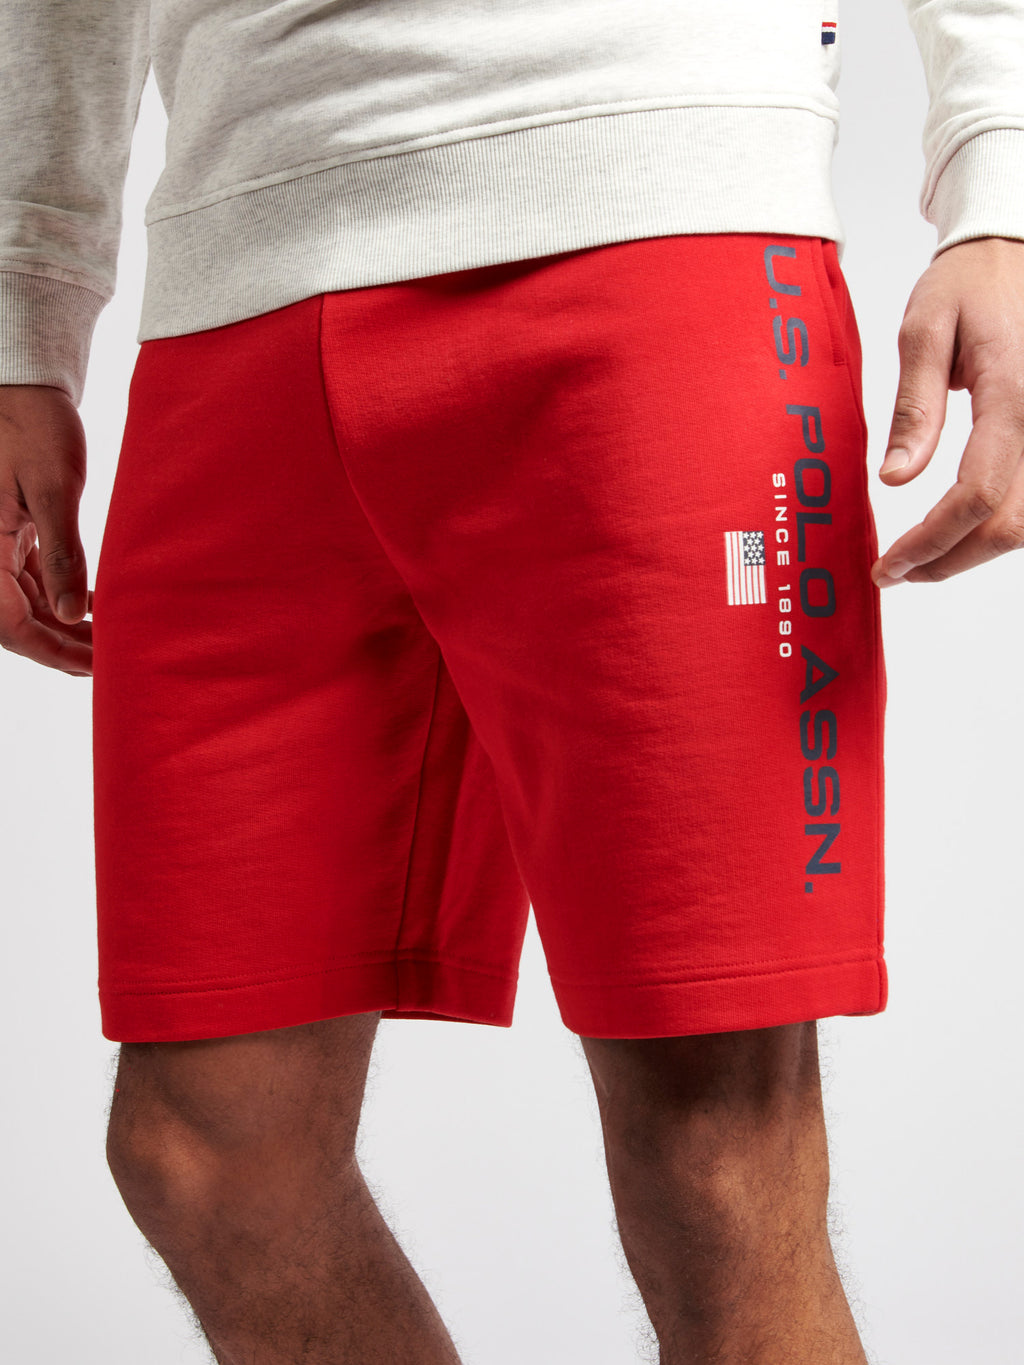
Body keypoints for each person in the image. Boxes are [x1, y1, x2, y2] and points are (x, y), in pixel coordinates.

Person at [1, 2, 1022, 1361]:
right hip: (236, 288)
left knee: (716, 1158)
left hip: (653, 229)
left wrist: (1002, 182)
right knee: (208, 1149)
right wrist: (23, 317)